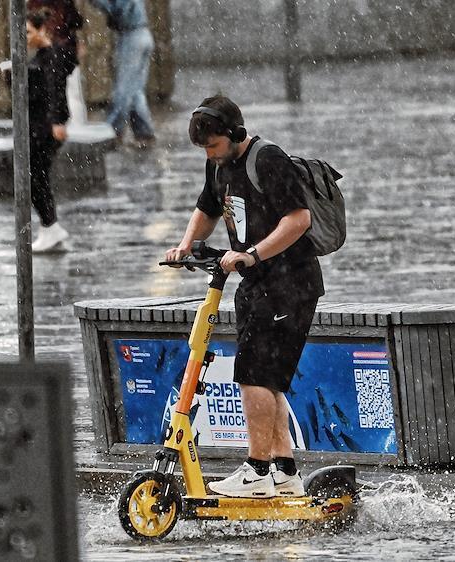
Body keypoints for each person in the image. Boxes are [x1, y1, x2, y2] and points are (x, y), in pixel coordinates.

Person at [164, 95, 323, 498]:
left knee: (253, 375)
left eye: (214, 145)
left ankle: (257, 471)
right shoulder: (217, 163)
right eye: (204, 148)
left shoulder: (268, 159)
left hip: (290, 283)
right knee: (266, 379)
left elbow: (299, 219)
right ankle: (284, 471)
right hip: (255, 283)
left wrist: (252, 254)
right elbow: (207, 209)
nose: (210, 154)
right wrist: (185, 246)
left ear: (235, 134)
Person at [24, 8, 71, 253]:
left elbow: (55, 92)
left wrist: (57, 122)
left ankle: (50, 226)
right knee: (36, 178)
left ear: (42, 29)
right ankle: (49, 226)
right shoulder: (39, 56)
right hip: (37, 126)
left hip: (44, 127)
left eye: (29, 31)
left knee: (37, 177)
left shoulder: (51, 55)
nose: (26, 36)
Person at [88, 0, 156, 147]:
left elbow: (119, 11)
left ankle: (111, 131)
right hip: (142, 34)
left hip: (132, 37)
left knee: (123, 89)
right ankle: (144, 132)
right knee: (135, 90)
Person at [26, 0, 86, 124]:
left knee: (68, 94)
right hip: (61, 49)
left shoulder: (54, 52)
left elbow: (75, 21)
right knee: (68, 94)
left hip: (61, 49)